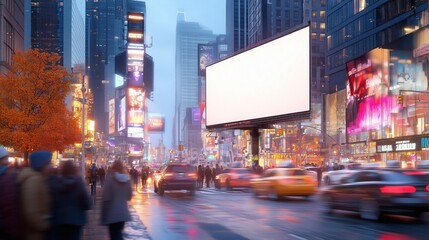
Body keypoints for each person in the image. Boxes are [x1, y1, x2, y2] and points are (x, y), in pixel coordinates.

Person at [48, 160, 91, 240]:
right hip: (76, 220)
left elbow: (51, 202)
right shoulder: (79, 182)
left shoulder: (56, 182)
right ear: (74, 169)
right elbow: (87, 202)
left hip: (60, 220)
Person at [17, 150, 53, 240]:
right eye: (48, 164)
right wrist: (45, 225)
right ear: (41, 165)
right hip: (35, 234)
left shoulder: (40, 178)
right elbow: (31, 213)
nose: (51, 166)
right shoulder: (34, 180)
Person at [101, 160, 132, 240]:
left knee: (115, 235)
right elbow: (129, 197)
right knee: (118, 233)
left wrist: (103, 215)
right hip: (123, 214)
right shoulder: (127, 179)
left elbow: (106, 197)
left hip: (112, 213)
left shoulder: (110, 179)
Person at [0, 146, 22, 240]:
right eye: (6, 158)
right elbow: (10, 208)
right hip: (6, 230)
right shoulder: (7, 178)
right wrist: (15, 232)